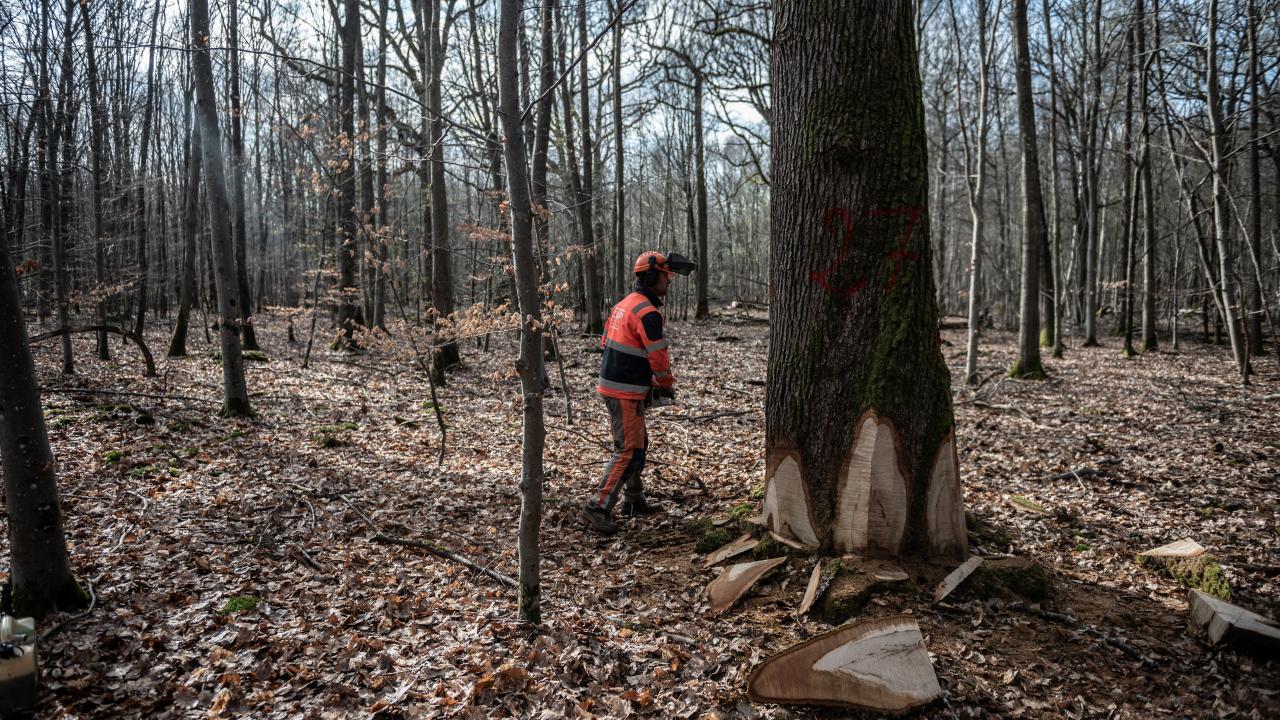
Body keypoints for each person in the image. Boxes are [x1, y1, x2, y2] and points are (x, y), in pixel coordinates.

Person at [582, 250, 697, 535]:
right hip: (624, 390)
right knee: (630, 450)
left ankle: (634, 500)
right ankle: (598, 507)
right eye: (666, 277)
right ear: (651, 276)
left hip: (618, 385)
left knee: (636, 445)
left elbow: (605, 340)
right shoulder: (647, 312)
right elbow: (658, 356)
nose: (669, 282)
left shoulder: (625, 304)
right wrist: (666, 384)